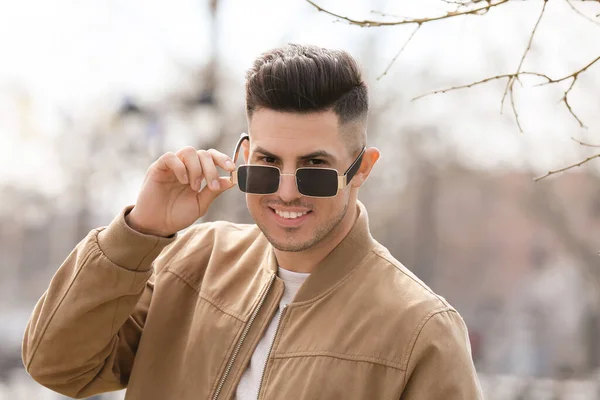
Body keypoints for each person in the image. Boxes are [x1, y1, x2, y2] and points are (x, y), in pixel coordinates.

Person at [22, 44, 483, 399]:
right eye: (266, 163)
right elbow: (56, 364)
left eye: (315, 168)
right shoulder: (190, 261)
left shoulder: (420, 329)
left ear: (361, 168)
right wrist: (140, 231)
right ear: (242, 155)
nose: (285, 191)